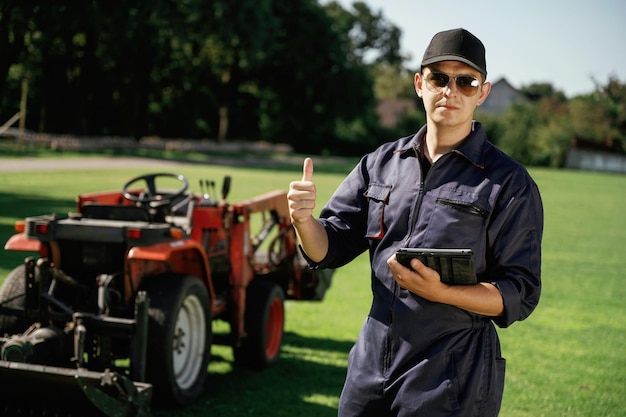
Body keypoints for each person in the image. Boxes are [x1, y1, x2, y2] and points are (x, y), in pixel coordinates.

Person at [287, 28, 543, 417]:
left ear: (483, 92)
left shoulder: (509, 182)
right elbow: (330, 248)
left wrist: (443, 293)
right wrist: (303, 220)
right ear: (420, 84)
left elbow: (519, 292)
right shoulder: (381, 163)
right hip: (370, 365)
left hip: (452, 374)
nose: (450, 91)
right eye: (439, 78)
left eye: (466, 81)